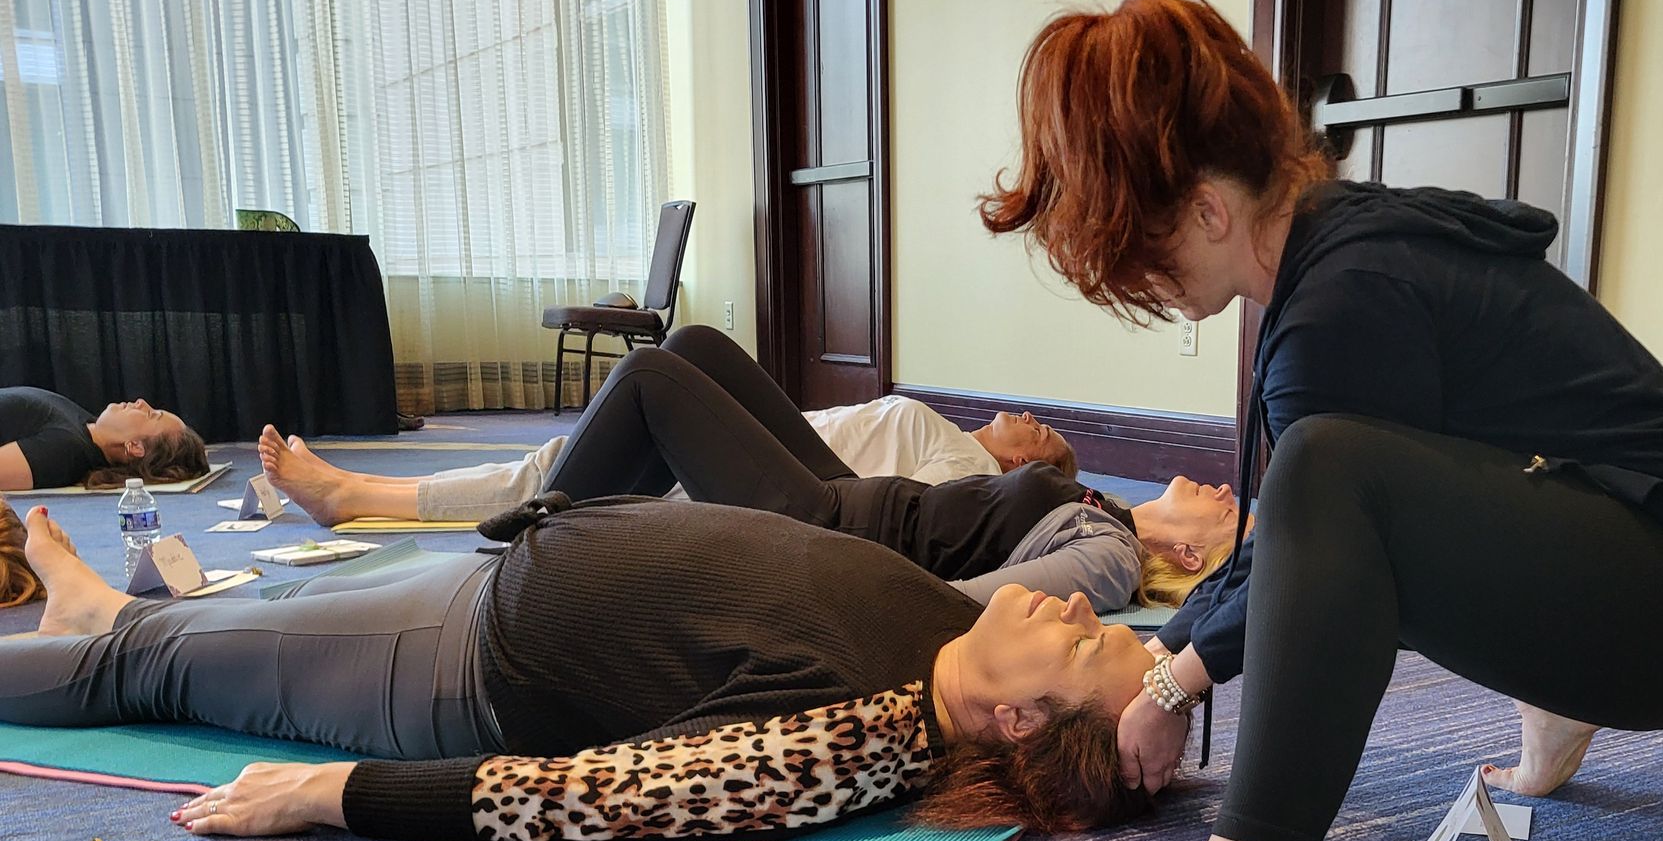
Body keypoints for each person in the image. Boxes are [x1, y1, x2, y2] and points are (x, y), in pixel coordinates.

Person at [977, 0, 1663, 841]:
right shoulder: (1343, 245)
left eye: (1134, 252)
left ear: (1208, 208)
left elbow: (1307, 530)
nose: (1137, 288)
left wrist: (1167, 682)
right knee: (1351, 480)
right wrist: (1172, 659)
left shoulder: (1339, 304)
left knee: (1329, 471)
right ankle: (1557, 708)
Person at [2, 501, 1156, 841]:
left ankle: (94, 625)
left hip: (442, 668)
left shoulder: (858, 738)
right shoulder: (953, 629)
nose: (1071, 604)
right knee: (221, 615)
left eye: (1086, 640)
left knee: (141, 666)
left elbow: (584, 796)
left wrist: (331, 794)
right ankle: (93, 602)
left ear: (1016, 716)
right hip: (473, 590)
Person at [477, 323, 1237, 613]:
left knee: (649, 377)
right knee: (694, 348)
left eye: (1234, 512)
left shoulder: (1107, 554)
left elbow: (945, 606)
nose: (1229, 490)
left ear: (1189, 554)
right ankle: (556, 544)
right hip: (845, 494)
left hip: (826, 532)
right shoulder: (1100, 504)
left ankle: (531, 563)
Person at [256, 360, 1073, 526]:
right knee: (682, 348)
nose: (1029, 419)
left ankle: (353, 495)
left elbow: (914, 523)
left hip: (756, 489)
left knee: (553, 467)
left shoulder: (971, 465)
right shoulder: (946, 430)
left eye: (1043, 435)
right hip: (767, 455)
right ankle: (359, 494)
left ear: (1023, 465)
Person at [1, 389, 209, 492]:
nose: (141, 402)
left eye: (151, 414)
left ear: (135, 446)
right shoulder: (87, 425)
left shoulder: (64, 452)